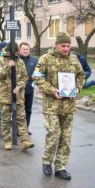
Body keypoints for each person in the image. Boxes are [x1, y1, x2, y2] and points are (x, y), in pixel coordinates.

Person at [33, 32, 84, 180]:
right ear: (56, 45)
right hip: (52, 105)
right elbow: (37, 76)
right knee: (54, 133)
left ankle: (61, 166)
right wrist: (51, 90)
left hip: (69, 105)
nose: (66, 48)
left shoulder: (74, 60)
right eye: (63, 45)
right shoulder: (46, 59)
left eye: (68, 46)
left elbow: (81, 76)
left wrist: (77, 89)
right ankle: (47, 161)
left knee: (66, 137)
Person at [0, 42, 34, 151]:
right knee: (6, 119)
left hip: (18, 96)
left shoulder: (20, 61)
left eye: (17, 52)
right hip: (5, 95)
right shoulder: (0, 61)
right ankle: (7, 141)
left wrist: (19, 87)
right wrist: (8, 66)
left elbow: (24, 77)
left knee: (21, 118)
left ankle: (24, 140)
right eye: (15, 51)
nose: (17, 53)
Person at [19, 42, 38, 134]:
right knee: (18, 110)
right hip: (18, 89)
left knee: (28, 110)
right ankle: (18, 129)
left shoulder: (34, 60)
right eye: (23, 49)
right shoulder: (16, 60)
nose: (26, 51)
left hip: (30, 89)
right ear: (19, 50)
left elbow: (39, 73)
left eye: (27, 49)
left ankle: (25, 128)